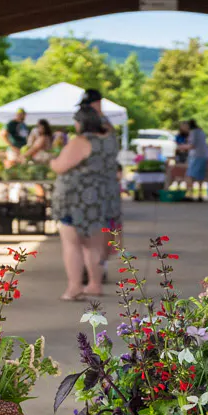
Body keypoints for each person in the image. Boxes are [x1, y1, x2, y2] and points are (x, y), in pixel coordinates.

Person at [50, 105, 122, 301]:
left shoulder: (81, 142)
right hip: (103, 198)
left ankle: (74, 287)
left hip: (78, 201)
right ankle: (95, 284)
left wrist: (51, 160)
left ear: (81, 123)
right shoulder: (109, 140)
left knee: (72, 243)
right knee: (95, 244)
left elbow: (60, 166)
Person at [184, 119, 208, 194]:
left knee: (190, 175)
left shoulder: (193, 132)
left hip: (196, 156)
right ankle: (200, 194)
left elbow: (192, 145)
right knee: (200, 176)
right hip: (204, 155)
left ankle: (189, 194)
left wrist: (181, 147)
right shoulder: (201, 131)